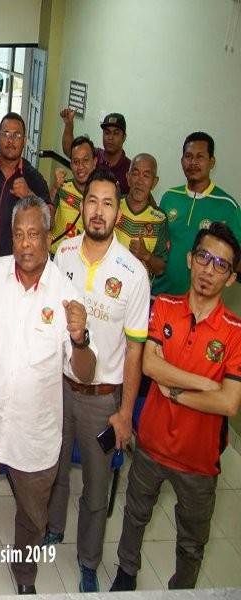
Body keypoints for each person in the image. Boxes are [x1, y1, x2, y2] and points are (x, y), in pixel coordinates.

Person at [0, 196, 96, 594]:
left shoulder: (66, 296)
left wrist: (80, 338)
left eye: (34, 234)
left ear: (48, 238)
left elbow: (84, 372)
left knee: (32, 515)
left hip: (35, 431)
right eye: (19, 234)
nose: (26, 243)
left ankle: (24, 575)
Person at [111, 222, 241, 592]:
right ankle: (126, 574)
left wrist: (177, 392)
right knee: (135, 517)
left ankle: (182, 592)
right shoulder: (164, 306)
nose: (208, 270)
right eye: (203, 257)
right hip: (151, 444)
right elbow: (150, 365)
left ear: (231, 278)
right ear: (189, 259)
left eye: (221, 265)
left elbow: (230, 402)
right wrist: (205, 383)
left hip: (198, 461)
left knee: (191, 542)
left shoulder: (235, 331)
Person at [46, 169, 150, 592]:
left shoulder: (133, 272)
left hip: (101, 398)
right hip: (58, 385)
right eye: (92, 201)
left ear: (118, 212)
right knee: (53, 468)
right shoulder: (64, 252)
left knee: (95, 485)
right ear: (81, 203)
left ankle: (88, 560)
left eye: (109, 203)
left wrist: (125, 412)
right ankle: (52, 528)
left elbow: (136, 350)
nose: (99, 211)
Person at [153, 132, 241, 297]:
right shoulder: (169, 197)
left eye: (200, 157)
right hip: (159, 296)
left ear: (212, 162)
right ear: (181, 161)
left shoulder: (228, 206)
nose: (193, 162)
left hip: (199, 304)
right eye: (188, 156)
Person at [0, 112, 51, 271]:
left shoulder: (33, 177)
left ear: (25, 141)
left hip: (19, 272)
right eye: (6, 134)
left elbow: (51, 219)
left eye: (17, 135)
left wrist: (29, 195)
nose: (11, 140)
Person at [115, 153, 169, 281]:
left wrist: (146, 255)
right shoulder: (113, 205)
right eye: (135, 173)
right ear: (128, 177)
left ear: (154, 182)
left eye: (146, 175)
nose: (140, 181)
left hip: (138, 295)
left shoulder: (159, 218)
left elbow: (161, 268)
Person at [60, 110, 131, 194]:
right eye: (107, 133)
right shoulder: (94, 154)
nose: (110, 138)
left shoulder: (130, 168)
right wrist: (69, 124)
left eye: (116, 133)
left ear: (124, 137)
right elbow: (69, 150)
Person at [48, 135, 97, 255]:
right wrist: (54, 188)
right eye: (76, 162)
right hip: (56, 257)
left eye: (85, 160)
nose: (80, 167)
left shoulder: (100, 197)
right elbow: (47, 223)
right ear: (71, 165)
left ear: (94, 162)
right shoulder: (62, 188)